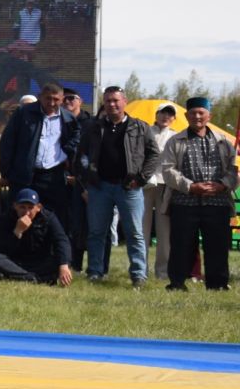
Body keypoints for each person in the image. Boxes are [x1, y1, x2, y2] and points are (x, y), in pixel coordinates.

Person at [77, 86, 161, 286]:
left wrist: (141, 179)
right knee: (97, 232)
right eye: (107, 101)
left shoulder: (140, 127)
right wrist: (88, 180)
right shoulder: (93, 127)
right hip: (100, 187)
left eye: (115, 100)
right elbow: (81, 155)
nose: (112, 104)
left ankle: (139, 274)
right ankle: (95, 272)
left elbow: (154, 154)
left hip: (129, 187)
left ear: (125, 101)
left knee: (135, 233)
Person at [161, 96, 236, 293]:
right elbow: (168, 171)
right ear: (186, 115)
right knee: (181, 245)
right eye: (193, 113)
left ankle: (218, 284)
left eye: (201, 112)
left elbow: (233, 171)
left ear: (209, 115)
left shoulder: (224, 143)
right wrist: (191, 186)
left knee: (217, 246)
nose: (197, 116)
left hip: (217, 202)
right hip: (184, 202)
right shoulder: (175, 141)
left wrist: (222, 185)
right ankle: (177, 283)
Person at [0, 82, 80, 257]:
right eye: (47, 98)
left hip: (53, 176)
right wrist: (7, 173)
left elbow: (76, 140)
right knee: (18, 215)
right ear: (40, 96)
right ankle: (13, 256)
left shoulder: (68, 119)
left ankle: (52, 258)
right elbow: (7, 143)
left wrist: (67, 154)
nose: (51, 103)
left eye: (56, 99)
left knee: (54, 218)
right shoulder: (23, 113)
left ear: (62, 99)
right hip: (24, 175)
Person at [0, 187, 73, 286]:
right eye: (22, 207)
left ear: (38, 207)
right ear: (15, 206)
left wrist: (64, 266)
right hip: (15, 263)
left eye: (30, 207)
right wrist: (17, 232)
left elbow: (61, 240)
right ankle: (34, 278)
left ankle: (23, 278)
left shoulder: (48, 218)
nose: (26, 212)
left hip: (41, 262)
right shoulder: (6, 218)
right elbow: (0, 249)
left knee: (61, 259)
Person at [144, 104, 181, 273]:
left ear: (174, 118)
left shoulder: (176, 136)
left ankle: (163, 270)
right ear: (156, 114)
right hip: (145, 183)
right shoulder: (145, 131)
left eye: (170, 114)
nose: (166, 116)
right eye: (163, 113)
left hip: (166, 185)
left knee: (164, 229)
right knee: (141, 227)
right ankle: (140, 268)